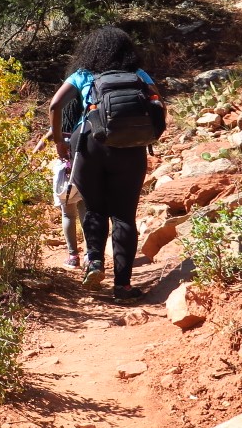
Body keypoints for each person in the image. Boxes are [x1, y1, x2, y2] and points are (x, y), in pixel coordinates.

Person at [48, 27, 164, 301]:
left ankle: (95, 263)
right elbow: (158, 105)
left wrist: (58, 142)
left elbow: (55, 105)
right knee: (124, 215)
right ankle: (122, 286)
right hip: (131, 148)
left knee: (94, 208)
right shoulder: (138, 75)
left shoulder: (83, 75)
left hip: (88, 143)